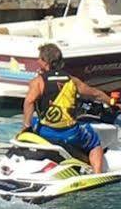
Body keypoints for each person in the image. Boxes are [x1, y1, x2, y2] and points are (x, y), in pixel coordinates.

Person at [21, 42, 108, 174]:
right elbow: (95, 94)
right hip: (70, 133)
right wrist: (112, 102)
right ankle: (97, 174)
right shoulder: (72, 81)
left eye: (39, 58)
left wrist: (26, 126)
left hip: (45, 132)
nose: (37, 61)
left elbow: (29, 102)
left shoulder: (38, 82)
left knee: (32, 123)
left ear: (46, 62)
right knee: (94, 142)